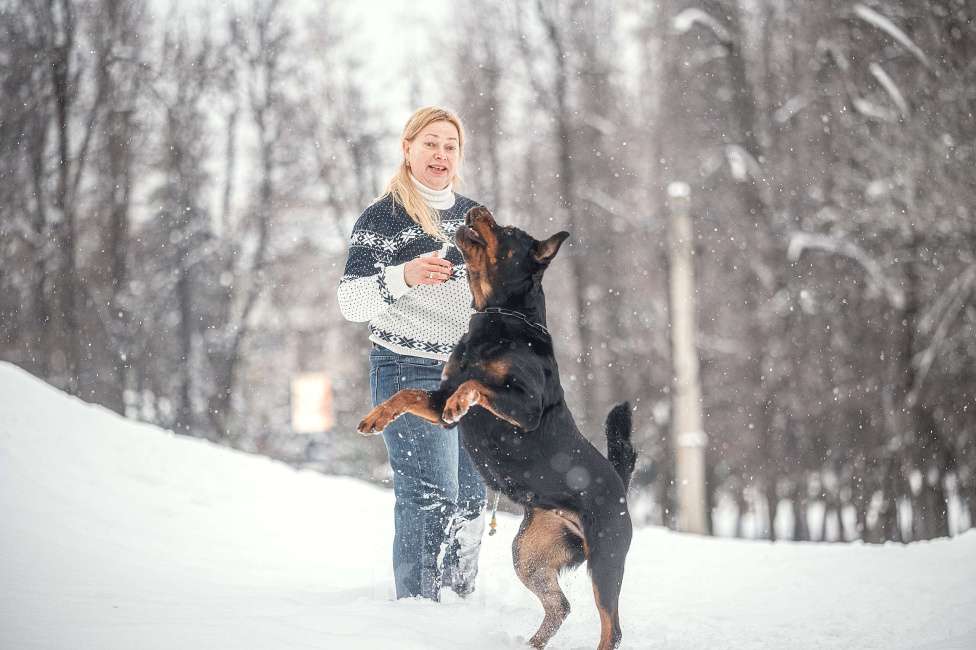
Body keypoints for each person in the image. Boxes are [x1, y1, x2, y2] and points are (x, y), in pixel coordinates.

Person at [337, 107, 487, 601]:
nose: (440, 154)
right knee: (432, 495)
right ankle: (420, 612)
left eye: (450, 145)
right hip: (405, 365)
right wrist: (404, 276)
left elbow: (496, 292)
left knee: (472, 498)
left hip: (465, 372)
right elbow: (351, 301)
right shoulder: (381, 217)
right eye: (430, 143)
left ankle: (459, 603)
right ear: (407, 149)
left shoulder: (474, 218)